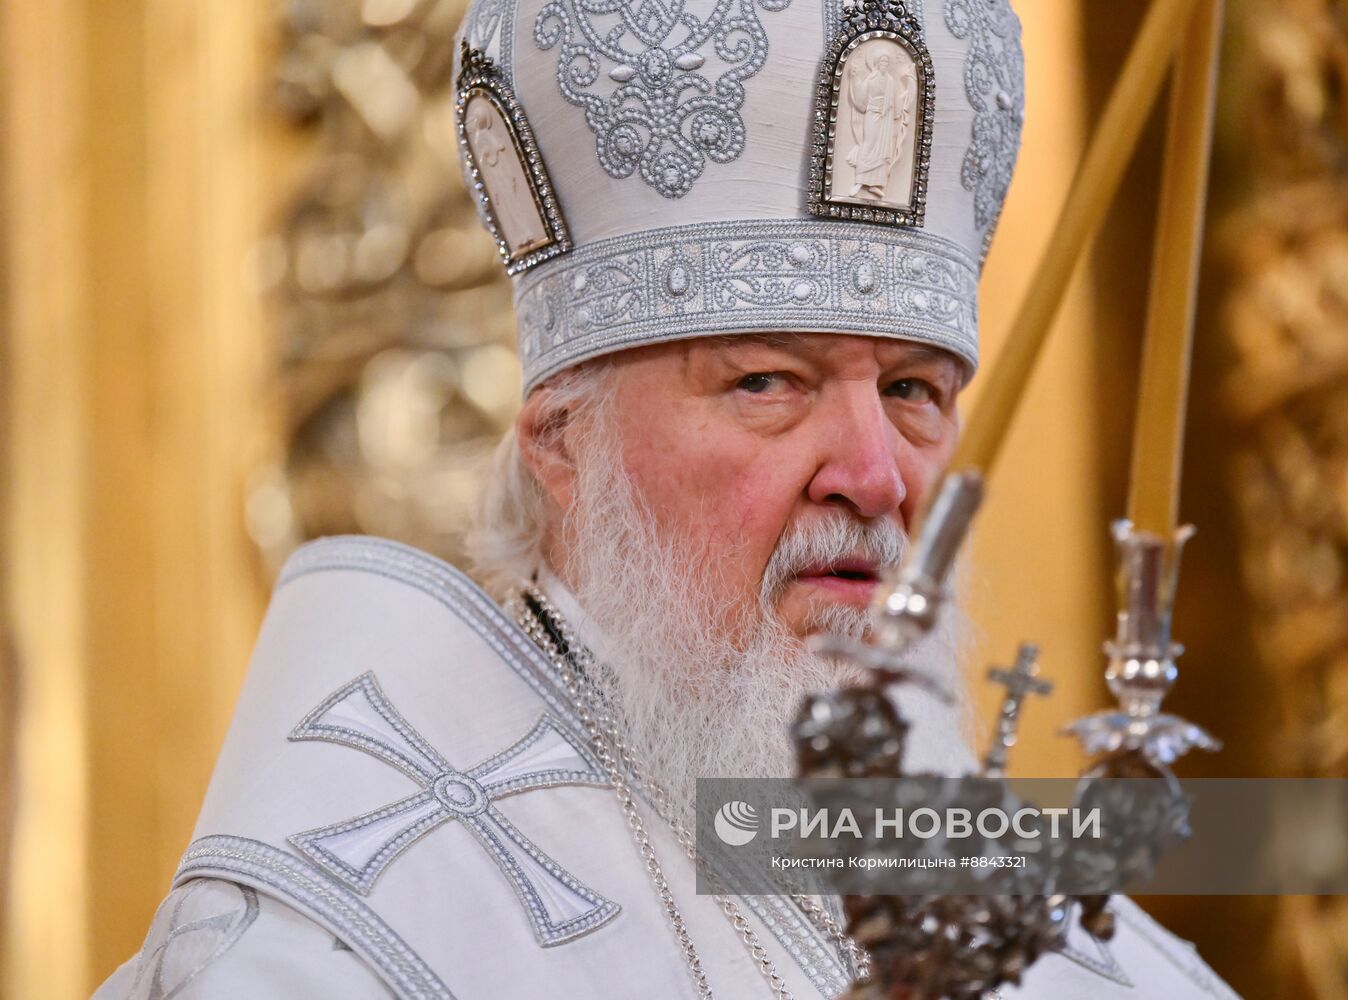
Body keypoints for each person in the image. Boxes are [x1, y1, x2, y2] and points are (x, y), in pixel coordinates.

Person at [96, 0, 1241, 996]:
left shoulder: (1088, 954)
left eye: (910, 389)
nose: (877, 474)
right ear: (560, 437)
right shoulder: (351, 934)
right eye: (766, 382)